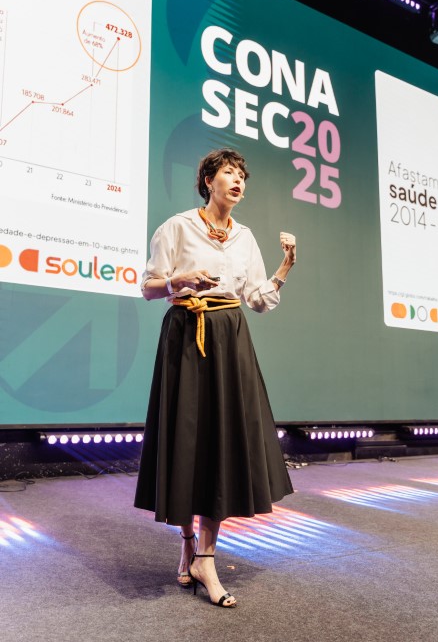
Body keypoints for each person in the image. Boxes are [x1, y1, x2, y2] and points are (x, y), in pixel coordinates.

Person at [134, 148, 296, 608]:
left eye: (242, 174)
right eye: (229, 172)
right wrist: (180, 281)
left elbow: (258, 299)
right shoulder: (177, 226)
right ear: (208, 180)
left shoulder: (245, 237)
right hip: (186, 333)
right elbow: (148, 287)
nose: (238, 180)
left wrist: (285, 267)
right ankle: (187, 541)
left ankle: (205, 556)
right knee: (187, 439)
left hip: (230, 336)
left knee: (222, 440)